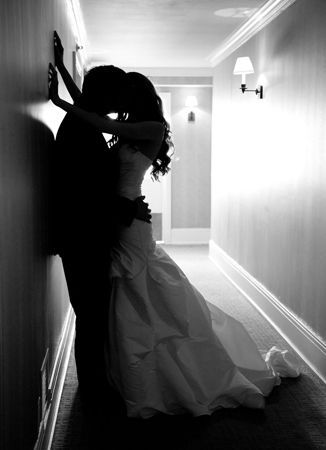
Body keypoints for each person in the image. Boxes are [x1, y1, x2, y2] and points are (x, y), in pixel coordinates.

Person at [49, 59, 300, 419]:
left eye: (126, 94)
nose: (120, 100)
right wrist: (62, 71)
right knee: (126, 295)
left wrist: (59, 101)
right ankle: (127, 371)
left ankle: (178, 368)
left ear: (135, 97)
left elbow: (95, 117)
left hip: (129, 222)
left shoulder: (149, 127)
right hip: (118, 218)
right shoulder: (126, 126)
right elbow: (93, 112)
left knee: (143, 286)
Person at [50, 32, 151, 419]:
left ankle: (96, 384)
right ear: (106, 97)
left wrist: (62, 67)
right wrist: (129, 212)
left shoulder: (84, 123)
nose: (123, 103)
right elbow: (90, 194)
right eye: (118, 96)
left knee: (93, 313)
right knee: (92, 315)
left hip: (84, 235)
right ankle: (94, 393)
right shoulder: (82, 132)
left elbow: (83, 104)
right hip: (83, 237)